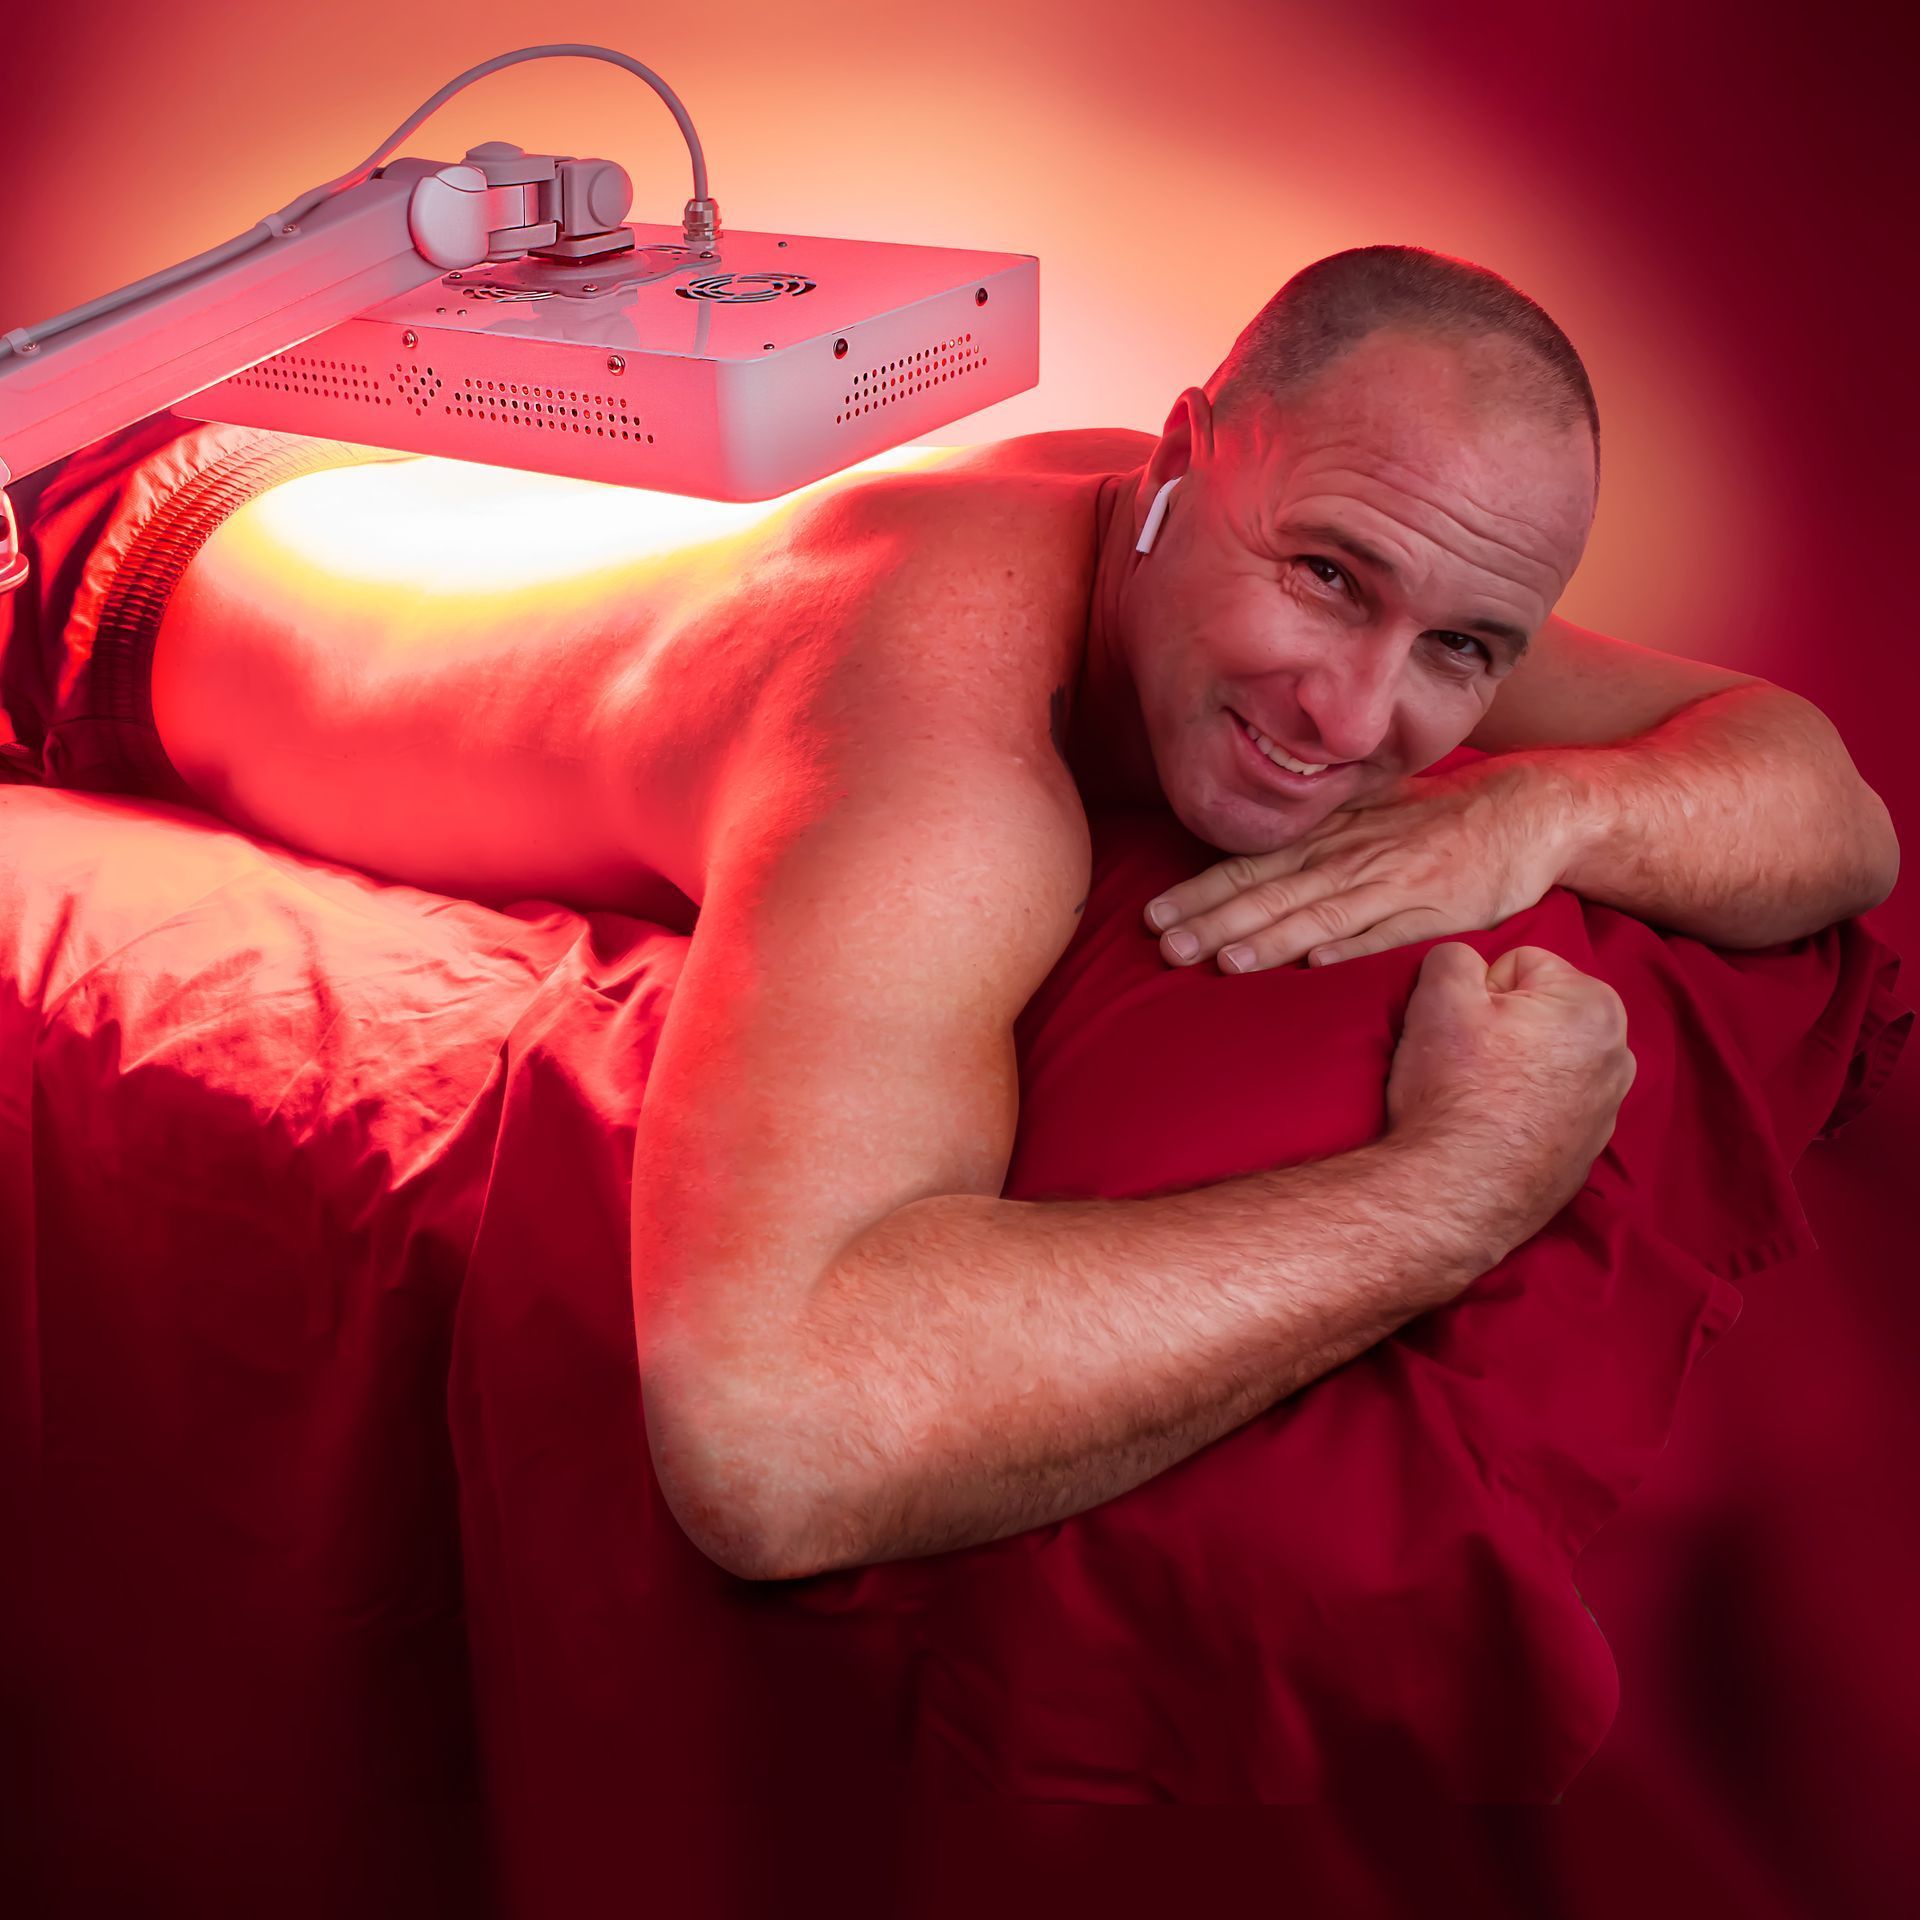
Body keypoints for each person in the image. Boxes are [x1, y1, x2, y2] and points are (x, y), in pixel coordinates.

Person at [0, 246, 1897, 1580]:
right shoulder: (935, 777)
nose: (1360, 718)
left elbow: (1831, 808)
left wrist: (1542, 818)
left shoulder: (1339, 569)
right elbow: (770, 1440)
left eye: (1462, 650)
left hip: (388, 497)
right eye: (1327, 581)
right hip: (95, 563)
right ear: (1180, 463)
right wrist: (1459, 1189)